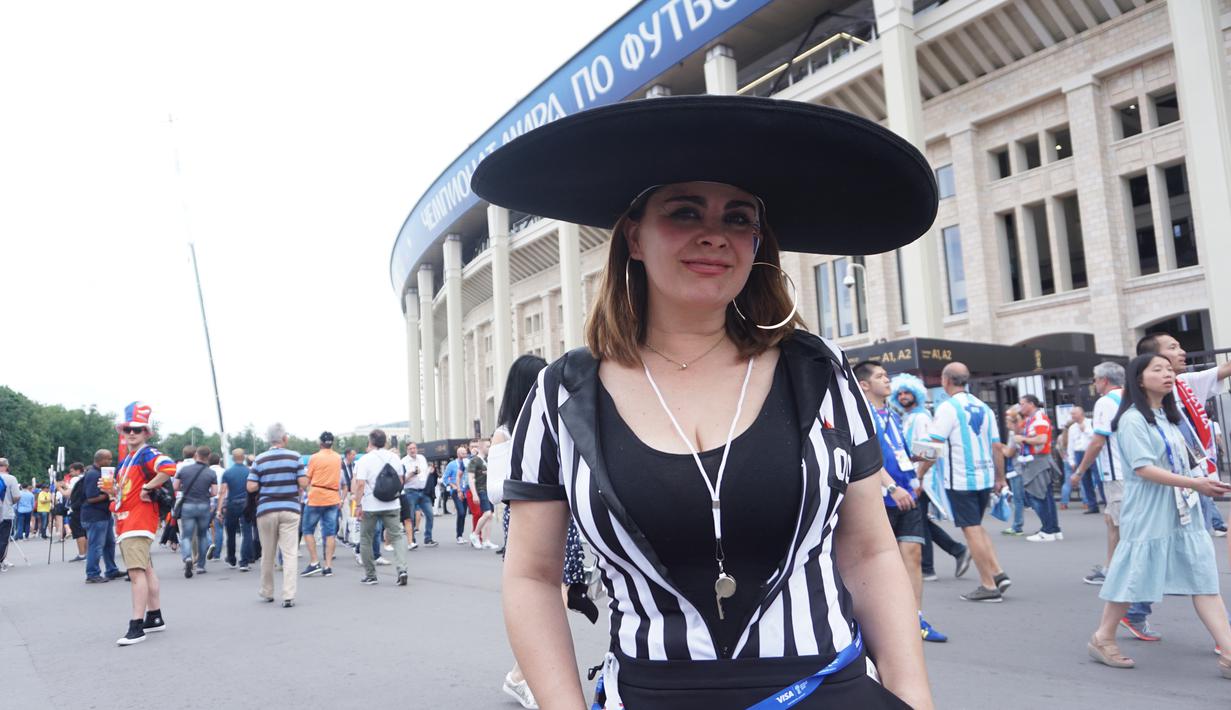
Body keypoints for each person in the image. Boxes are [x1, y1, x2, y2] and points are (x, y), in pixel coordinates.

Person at [479, 96, 936, 708]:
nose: (715, 235)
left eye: (739, 218)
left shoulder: (817, 370)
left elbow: (869, 551)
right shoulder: (562, 394)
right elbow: (532, 576)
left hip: (827, 689)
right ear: (634, 237)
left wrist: (913, 697)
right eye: (684, 211)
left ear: (757, 243)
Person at [1086, 353, 1231, 677]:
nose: (1168, 374)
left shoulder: (1169, 417)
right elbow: (1143, 468)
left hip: (1183, 509)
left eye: (1169, 369)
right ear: (1139, 379)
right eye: (1159, 369)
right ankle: (1103, 637)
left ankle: (1229, 652)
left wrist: (1204, 483)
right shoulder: (1132, 420)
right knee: (1133, 576)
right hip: (1149, 510)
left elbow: (1185, 461)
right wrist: (1195, 484)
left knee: (1204, 576)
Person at [856, 361, 947, 643]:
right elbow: (866, 457)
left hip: (907, 494)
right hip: (880, 498)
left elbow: (901, 453)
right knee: (876, 564)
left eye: (887, 375)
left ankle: (915, 618)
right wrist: (892, 487)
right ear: (864, 384)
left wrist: (925, 458)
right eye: (880, 376)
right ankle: (876, 622)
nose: (888, 380)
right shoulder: (860, 415)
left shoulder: (893, 414)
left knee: (913, 555)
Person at [919, 362, 1011, 603]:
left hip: (961, 478)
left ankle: (988, 585)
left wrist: (919, 474)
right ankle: (997, 573)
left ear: (946, 380)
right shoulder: (984, 407)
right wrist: (1000, 477)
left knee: (971, 531)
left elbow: (934, 446)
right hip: (985, 476)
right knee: (977, 527)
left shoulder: (948, 408)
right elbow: (997, 447)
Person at [1137, 332, 1231, 536]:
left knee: (1198, 539)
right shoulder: (1135, 413)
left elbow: (1226, 368)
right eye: (1172, 348)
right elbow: (1142, 466)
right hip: (1169, 484)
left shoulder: (1184, 384)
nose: (1182, 352)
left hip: (1197, 477)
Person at [890, 373, 969, 581]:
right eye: (900, 393)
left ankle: (928, 567)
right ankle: (957, 551)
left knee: (919, 523)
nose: (903, 396)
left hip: (919, 478)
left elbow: (929, 450)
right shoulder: (908, 417)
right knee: (921, 522)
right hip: (911, 477)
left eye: (907, 393)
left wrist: (920, 478)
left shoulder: (921, 418)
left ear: (916, 394)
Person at [107, 402, 174, 646]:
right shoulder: (127, 460)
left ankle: (136, 626)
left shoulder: (146, 453)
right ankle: (154, 616)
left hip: (138, 521)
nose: (132, 433)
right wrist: (111, 491)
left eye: (137, 429)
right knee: (145, 569)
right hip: (129, 520)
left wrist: (148, 486)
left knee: (136, 573)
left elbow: (169, 467)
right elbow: (124, 492)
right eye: (128, 429)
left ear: (146, 432)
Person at [248, 423, 307, 608]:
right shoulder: (295, 457)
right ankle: (288, 595)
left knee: (268, 553)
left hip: (266, 510)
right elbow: (303, 483)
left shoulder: (260, 459)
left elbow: (250, 486)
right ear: (285, 438)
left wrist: (266, 482)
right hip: (290, 509)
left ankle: (267, 591)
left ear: (269, 440)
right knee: (289, 553)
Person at [354, 429, 409, 586]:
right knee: (397, 536)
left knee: (366, 538)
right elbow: (401, 480)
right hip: (392, 503)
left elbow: (360, 484)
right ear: (385, 442)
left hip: (370, 504)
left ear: (371, 442)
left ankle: (371, 575)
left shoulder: (364, 460)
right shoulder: (395, 457)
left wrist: (358, 504)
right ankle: (402, 569)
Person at [1016, 395, 1062, 542]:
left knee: (1038, 496)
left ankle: (1048, 530)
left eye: (1022, 404)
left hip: (1038, 461)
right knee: (1045, 496)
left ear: (1031, 404)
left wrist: (1023, 439)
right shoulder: (1034, 418)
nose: (1020, 407)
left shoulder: (1038, 418)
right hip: (1038, 460)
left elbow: (1042, 439)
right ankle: (1052, 529)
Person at [302, 431, 343, 576]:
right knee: (330, 532)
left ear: (320, 443)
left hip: (316, 496)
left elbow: (307, 478)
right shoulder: (338, 457)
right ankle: (328, 566)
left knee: (307, 529)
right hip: (333, 496)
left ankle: (314, 562)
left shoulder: (314, 457)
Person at [81, 450, 123, 583]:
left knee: (109, 543)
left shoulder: (101, 473)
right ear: (100, 460)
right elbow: (91, 498)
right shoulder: (93, 474)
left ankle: (111, 570)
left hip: (104, 514)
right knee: (96, 545)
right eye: (108, 459)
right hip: (95, 516)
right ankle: (92, 574)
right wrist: (108, 495)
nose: (110, 461)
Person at [175, 445, 218, 578]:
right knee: (202, 536)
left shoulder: (184, 470)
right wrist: (205, 494)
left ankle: (188, 558)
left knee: (186, 536)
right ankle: (200, 566)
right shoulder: (211, 473)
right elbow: (215, 492)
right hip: (204, 505)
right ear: (208, 457)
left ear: (196, 455)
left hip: (188, 505)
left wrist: (186, 490)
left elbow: (175, 486)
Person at [218, 448, 255, 572]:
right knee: (247, 532)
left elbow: (222, 491)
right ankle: (244, 561)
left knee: (231, 532)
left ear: (233, 458)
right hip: (247, 504)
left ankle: (231, 558)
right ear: (244, 458)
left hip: (232, 504)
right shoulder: (249, 472)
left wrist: (219, 509)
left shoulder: (228, 472)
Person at [401, 441, 436, 549]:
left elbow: (424, 473)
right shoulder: (403, 461)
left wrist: (429, 471)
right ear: (407, 450)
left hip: (423, 491)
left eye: (414, 448)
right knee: (410, 517)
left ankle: (428, 538)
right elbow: (402, 480)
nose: (413, 450)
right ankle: (412, 540)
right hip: (410, 491)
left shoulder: (422, 458)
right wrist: (411, 474)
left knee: (430, 514)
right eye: (410, 449)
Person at [1064, 407, 1100, 514]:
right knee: (1085, 481)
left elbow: (1096, 437)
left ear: (1081, 413)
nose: (1073, 416)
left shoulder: (1091, 423)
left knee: (1099, 479)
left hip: (1091, 451)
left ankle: (1107, 502)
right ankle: (1092, 505)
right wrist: (1071, 460)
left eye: (1074, 414)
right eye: (1072, 414)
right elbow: (1070, 445)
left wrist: (1085, 430)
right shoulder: (1072, 428)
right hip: (1078, 453)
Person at [466, 439, 498, 550]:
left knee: (490, 516)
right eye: (488, 446)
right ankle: (475, 534)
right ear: (481, 447)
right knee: (487, 513)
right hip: (481, 490)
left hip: (488, 490)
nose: (490, 448)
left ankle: (486, 540)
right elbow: (470, 479)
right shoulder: (475, 461)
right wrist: (474, 494)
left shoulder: (488, 460)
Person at [1000, 407, 1026, 536]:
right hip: (1023, 467)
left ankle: (1017, 526)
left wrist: (1000, 447)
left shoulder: (1013, 435)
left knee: (1018, 499)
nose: (1006, 423)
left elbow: (1009, 453)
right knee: (1024, 498)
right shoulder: (1023, 432)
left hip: (1016, 469)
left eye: (1008, 421)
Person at [444, 445, 469, 544]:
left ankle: (460, 535)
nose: (465, 455)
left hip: (466, 490)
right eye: (463, 453)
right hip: (456, 491)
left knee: (463, 514)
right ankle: (459, 536)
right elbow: (445, 478)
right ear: (458, 454)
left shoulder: (468, 463)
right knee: (461, 512)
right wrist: (452, 485)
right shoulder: (452, 464)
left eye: (465, 453)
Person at [0, 458, 21, 571]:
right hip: (6, 513)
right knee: (4, 539)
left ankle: (3, 560)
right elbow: (17, 496)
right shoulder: (11, 478)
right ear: (6, 466)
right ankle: (2, 560)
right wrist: (10, 502)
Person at [66, 463, 89, 561]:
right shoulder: (85, 478)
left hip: (76, 507)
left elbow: (67, 494)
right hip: (85, 507)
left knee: (78, 532)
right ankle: (87, 553)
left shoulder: (75, 479)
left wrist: (59, 488)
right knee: (85, 532)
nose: (70, 474)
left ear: (78, 470)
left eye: (72, 471)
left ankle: (82, 554)